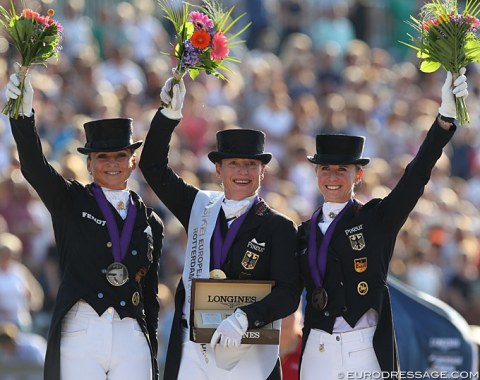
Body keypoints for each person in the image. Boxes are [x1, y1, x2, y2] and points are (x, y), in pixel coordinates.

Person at [297, 68, 468, 379]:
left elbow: (415, 177)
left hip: (363, 348)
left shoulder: (376, 219)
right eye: (326, 169)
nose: (333, 177)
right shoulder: (304, 232)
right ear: (316, 173)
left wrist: (443, 121)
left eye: (342, 170)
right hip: (317, 347)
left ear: (358, 175)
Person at [139, 75, 301, 379]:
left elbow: (290, 293)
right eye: (234, 164)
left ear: (263, 171)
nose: (242, 171)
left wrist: (245, 318)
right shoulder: (199, 206)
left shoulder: (278, 226)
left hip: (247, 350)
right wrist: (168, 115)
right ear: (218, 169)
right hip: (194, 350)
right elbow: (152, 166)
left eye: (251, 165)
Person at [5, 70, 163, 380]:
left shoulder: (149, 219)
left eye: (120, 155)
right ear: (89, 164)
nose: (112, 164)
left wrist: (152, 344)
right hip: (82, 328)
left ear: (133, 161)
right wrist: (22, 115)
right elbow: (34, 166)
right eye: (102, 157)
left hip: (131, 331)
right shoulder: (70, 200)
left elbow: (150, 294)